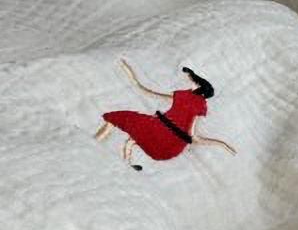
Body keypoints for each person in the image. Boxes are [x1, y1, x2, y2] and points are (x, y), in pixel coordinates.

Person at [94, 61, 234, 170]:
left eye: (192, 81)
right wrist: (220, 144)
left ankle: (94, 144)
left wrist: (130, 74)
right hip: (171, 147)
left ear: (197, 86)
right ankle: (127, 166)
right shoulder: (199, 105)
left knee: (118, 118)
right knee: (130, 139)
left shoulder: (184, 97)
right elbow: (193, 136)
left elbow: (147, 91)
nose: (189, 82)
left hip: (160, 132)